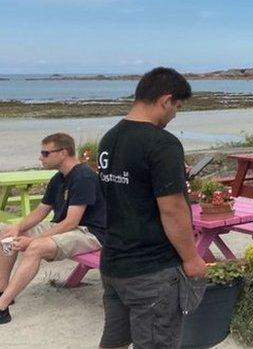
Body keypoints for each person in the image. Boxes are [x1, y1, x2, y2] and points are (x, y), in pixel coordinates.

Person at [97, 67, 207, 348]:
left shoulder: (109, 138)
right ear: (165, 100)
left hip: (114, 263)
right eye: (177, 107)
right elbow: (172, 209)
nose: (175, 115)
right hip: (151, 270)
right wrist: (192, 259)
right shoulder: (162, 143)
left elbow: (125, 193)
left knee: (115, 342)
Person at [0, 133, 106, 324]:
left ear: (63, 153)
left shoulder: (83, 177)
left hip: (88, 232)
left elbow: (72, 222)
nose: (40, 157)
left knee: (35, 248)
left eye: (45, 153)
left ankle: (2, 306)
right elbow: (40, 212)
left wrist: (32, 241)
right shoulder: (59, 178)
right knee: (6, 234)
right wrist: (16, 227)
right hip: (66, 228)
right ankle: (3, 288)